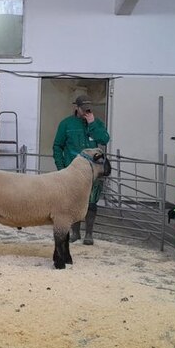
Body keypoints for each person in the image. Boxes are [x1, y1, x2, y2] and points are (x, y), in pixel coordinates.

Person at [53, 95, 110, 245]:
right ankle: (75, 233)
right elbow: (57, 146)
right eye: (83, 109)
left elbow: (104, 139)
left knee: (91, 202)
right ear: (76, 108)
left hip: (93, 172)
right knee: (72, 203)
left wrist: (92, 124)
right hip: (72, 172)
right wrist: (61, 168)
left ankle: (89, 234)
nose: (86, 112)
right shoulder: (66, 124)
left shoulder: (96, 123)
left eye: (88, 110)